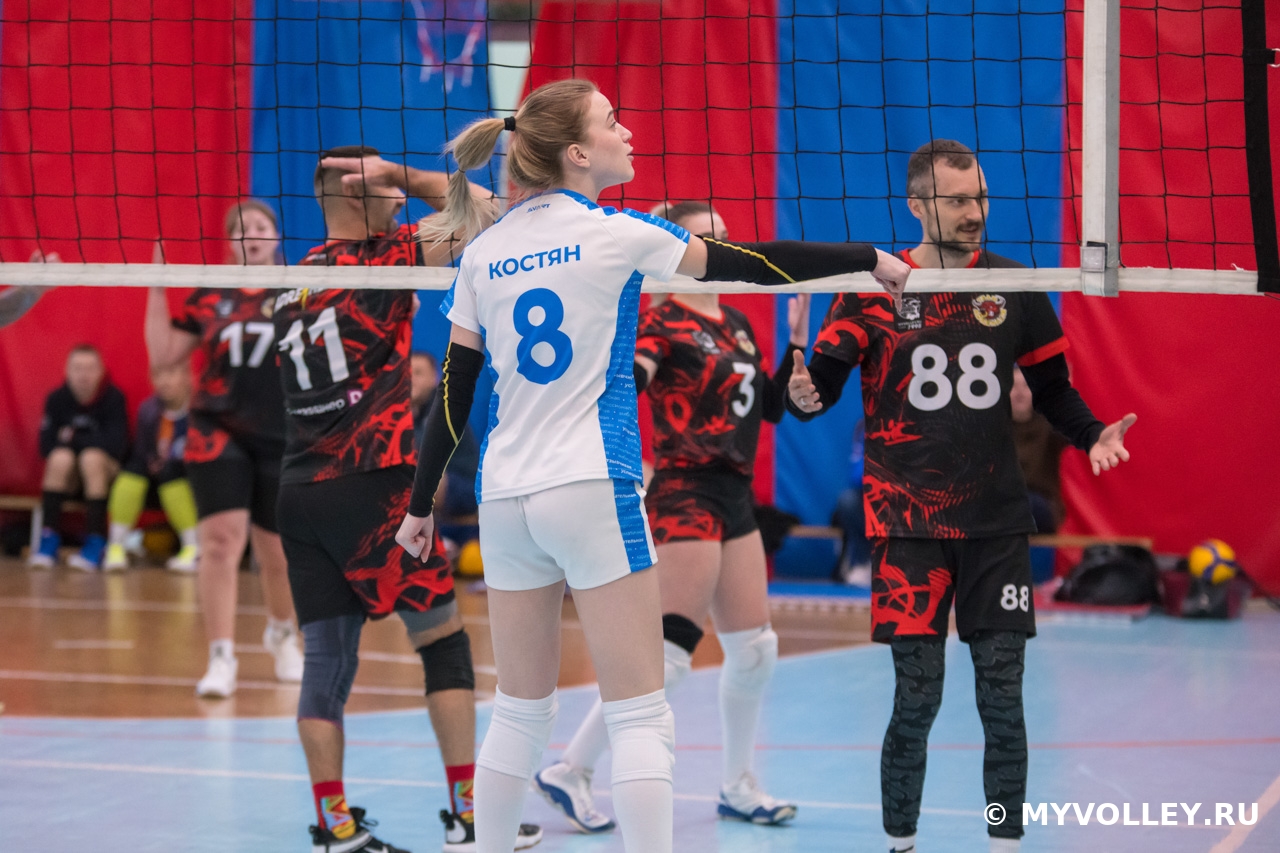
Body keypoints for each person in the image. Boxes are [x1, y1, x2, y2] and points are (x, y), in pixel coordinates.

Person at [395, 78, 908, 853]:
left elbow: (454, 393)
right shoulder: (618, 233)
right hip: (593, 485)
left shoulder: (484, 252)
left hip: (505, 498)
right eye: (613, 121)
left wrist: (419, 503)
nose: (628, 131)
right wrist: (867, 257)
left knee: (521, 711)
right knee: (640, 712)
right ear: (577, 153)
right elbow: (756, 262)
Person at [786, 138, 1137, 853]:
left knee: (1003, 703)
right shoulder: (869, 288)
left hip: (995, 525)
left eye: (979, 196)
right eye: (957, 200)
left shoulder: (1015, 284)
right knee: (916, 698)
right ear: (918, 206)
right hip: (906, 526)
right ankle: (902, 844)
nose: (975, 211)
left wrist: (1092, 433)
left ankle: (1004, 842)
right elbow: (817, 390)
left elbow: (1053, 390)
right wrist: (800, 392)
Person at [277, 147, 539, 853]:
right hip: (374, 484)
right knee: (444, 643)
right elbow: (489, 212)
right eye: (385, 187)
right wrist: (407, 175)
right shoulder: (384, 256)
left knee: (327, 661)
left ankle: (335, 826)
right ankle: (470, 816)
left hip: (299, 490)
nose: (398, 200)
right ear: (359, 194)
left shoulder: (289, 281)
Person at [533, 201, 805, 832]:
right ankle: (571, 769)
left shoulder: (737, 320)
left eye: (726, 235)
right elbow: (621, 385)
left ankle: (738, 785)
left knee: (755, 650)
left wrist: (794, 348)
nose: (724, 247)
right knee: (672, 650)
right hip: (685, 491)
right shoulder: (661, 323)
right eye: (708, 238)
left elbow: (766, 409)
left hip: (735, 494)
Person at [145, 199, 304, 698]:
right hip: (217, 430)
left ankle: (282, 634)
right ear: (230, 242)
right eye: (241, 228)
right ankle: (220, 655)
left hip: (282, 433)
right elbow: (163, 357)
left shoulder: (301, 290)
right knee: (219, 543)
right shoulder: (211, 293)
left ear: (276, 236)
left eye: (260, 226)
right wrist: (154, 285)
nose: (251, 234)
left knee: (277, 552)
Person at [29, 343, 129, 570]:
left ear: (101, 371)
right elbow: (46, 446)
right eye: (78, 368)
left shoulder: (113, 398)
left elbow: (117, 445)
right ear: (67, 371)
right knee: (60, 457)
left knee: (91, 457)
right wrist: (88, 440)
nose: (84, 375)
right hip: (70, 478)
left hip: (104, 476)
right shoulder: (56, 399)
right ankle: (48, 540)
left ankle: (96, 541)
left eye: (90, 368)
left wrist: (71, 437)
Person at [103, 361, 200, 572]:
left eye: (171, 374)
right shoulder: (148, 410)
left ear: (188, 377)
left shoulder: (201, 409)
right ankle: (116, 546)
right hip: (155, 479)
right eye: (158, 376)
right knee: (132, 471)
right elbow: (142, 451)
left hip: (192, 479)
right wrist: (151, 462)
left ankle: (193, 547)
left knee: (171, 471)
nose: (164, 382)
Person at [1010, 366, 1068, 533]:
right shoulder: (994, 428)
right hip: (1005, 501)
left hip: (1040, 505)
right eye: (1014, 386)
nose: (1020, 392)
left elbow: (1075, 431)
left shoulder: (1048, 425)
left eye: (1026, 386)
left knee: (1024, 503)